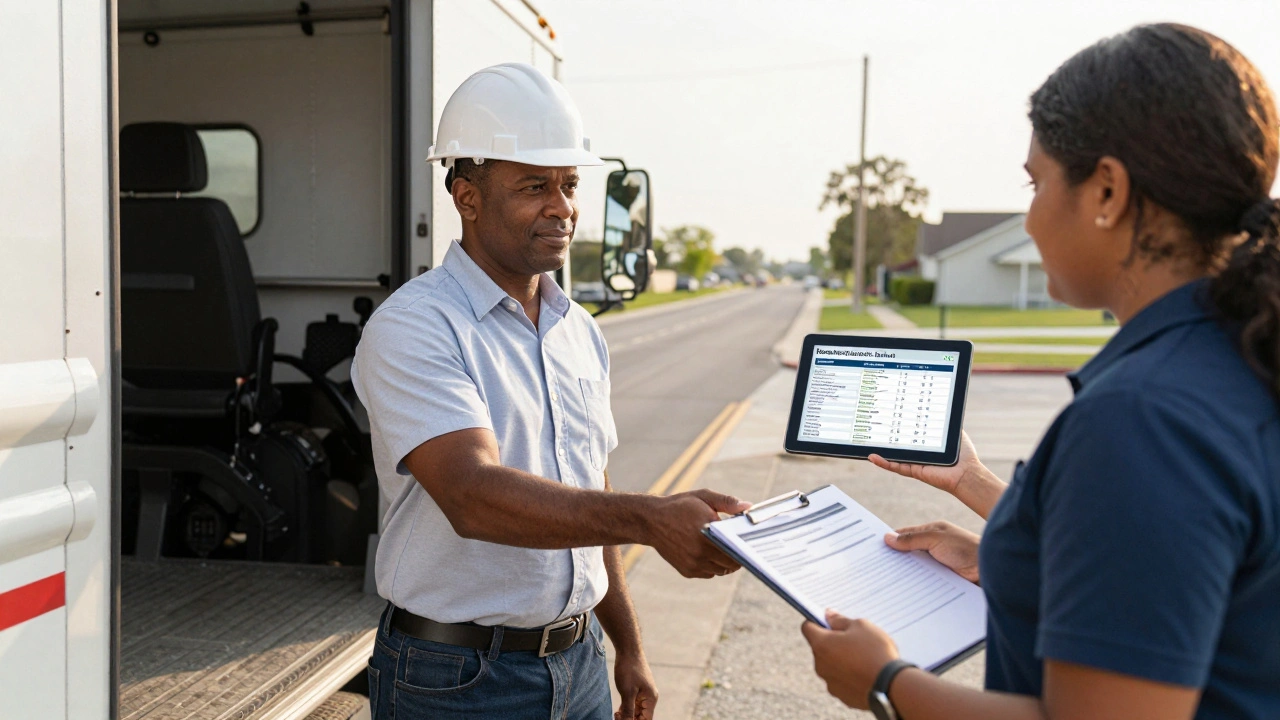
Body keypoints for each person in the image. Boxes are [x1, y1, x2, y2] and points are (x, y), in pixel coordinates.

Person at [801, 23, 1280, 720]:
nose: (1028, 219)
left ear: (1108, 191)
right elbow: (1179, 569)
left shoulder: (1144, 418)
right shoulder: (1238, 356)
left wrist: (885, 683)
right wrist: (992, 517)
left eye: (1036, 183)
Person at [352, 63, 749, 720]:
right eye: (535, 186)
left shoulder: (577, 331)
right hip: (456, 683)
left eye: (568, 185)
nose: (562, 206)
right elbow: (472, 496)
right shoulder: (413, 327)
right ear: (466, 196)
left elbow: (592, 488)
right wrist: (652, 518)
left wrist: (628, 646)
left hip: (581, 663)